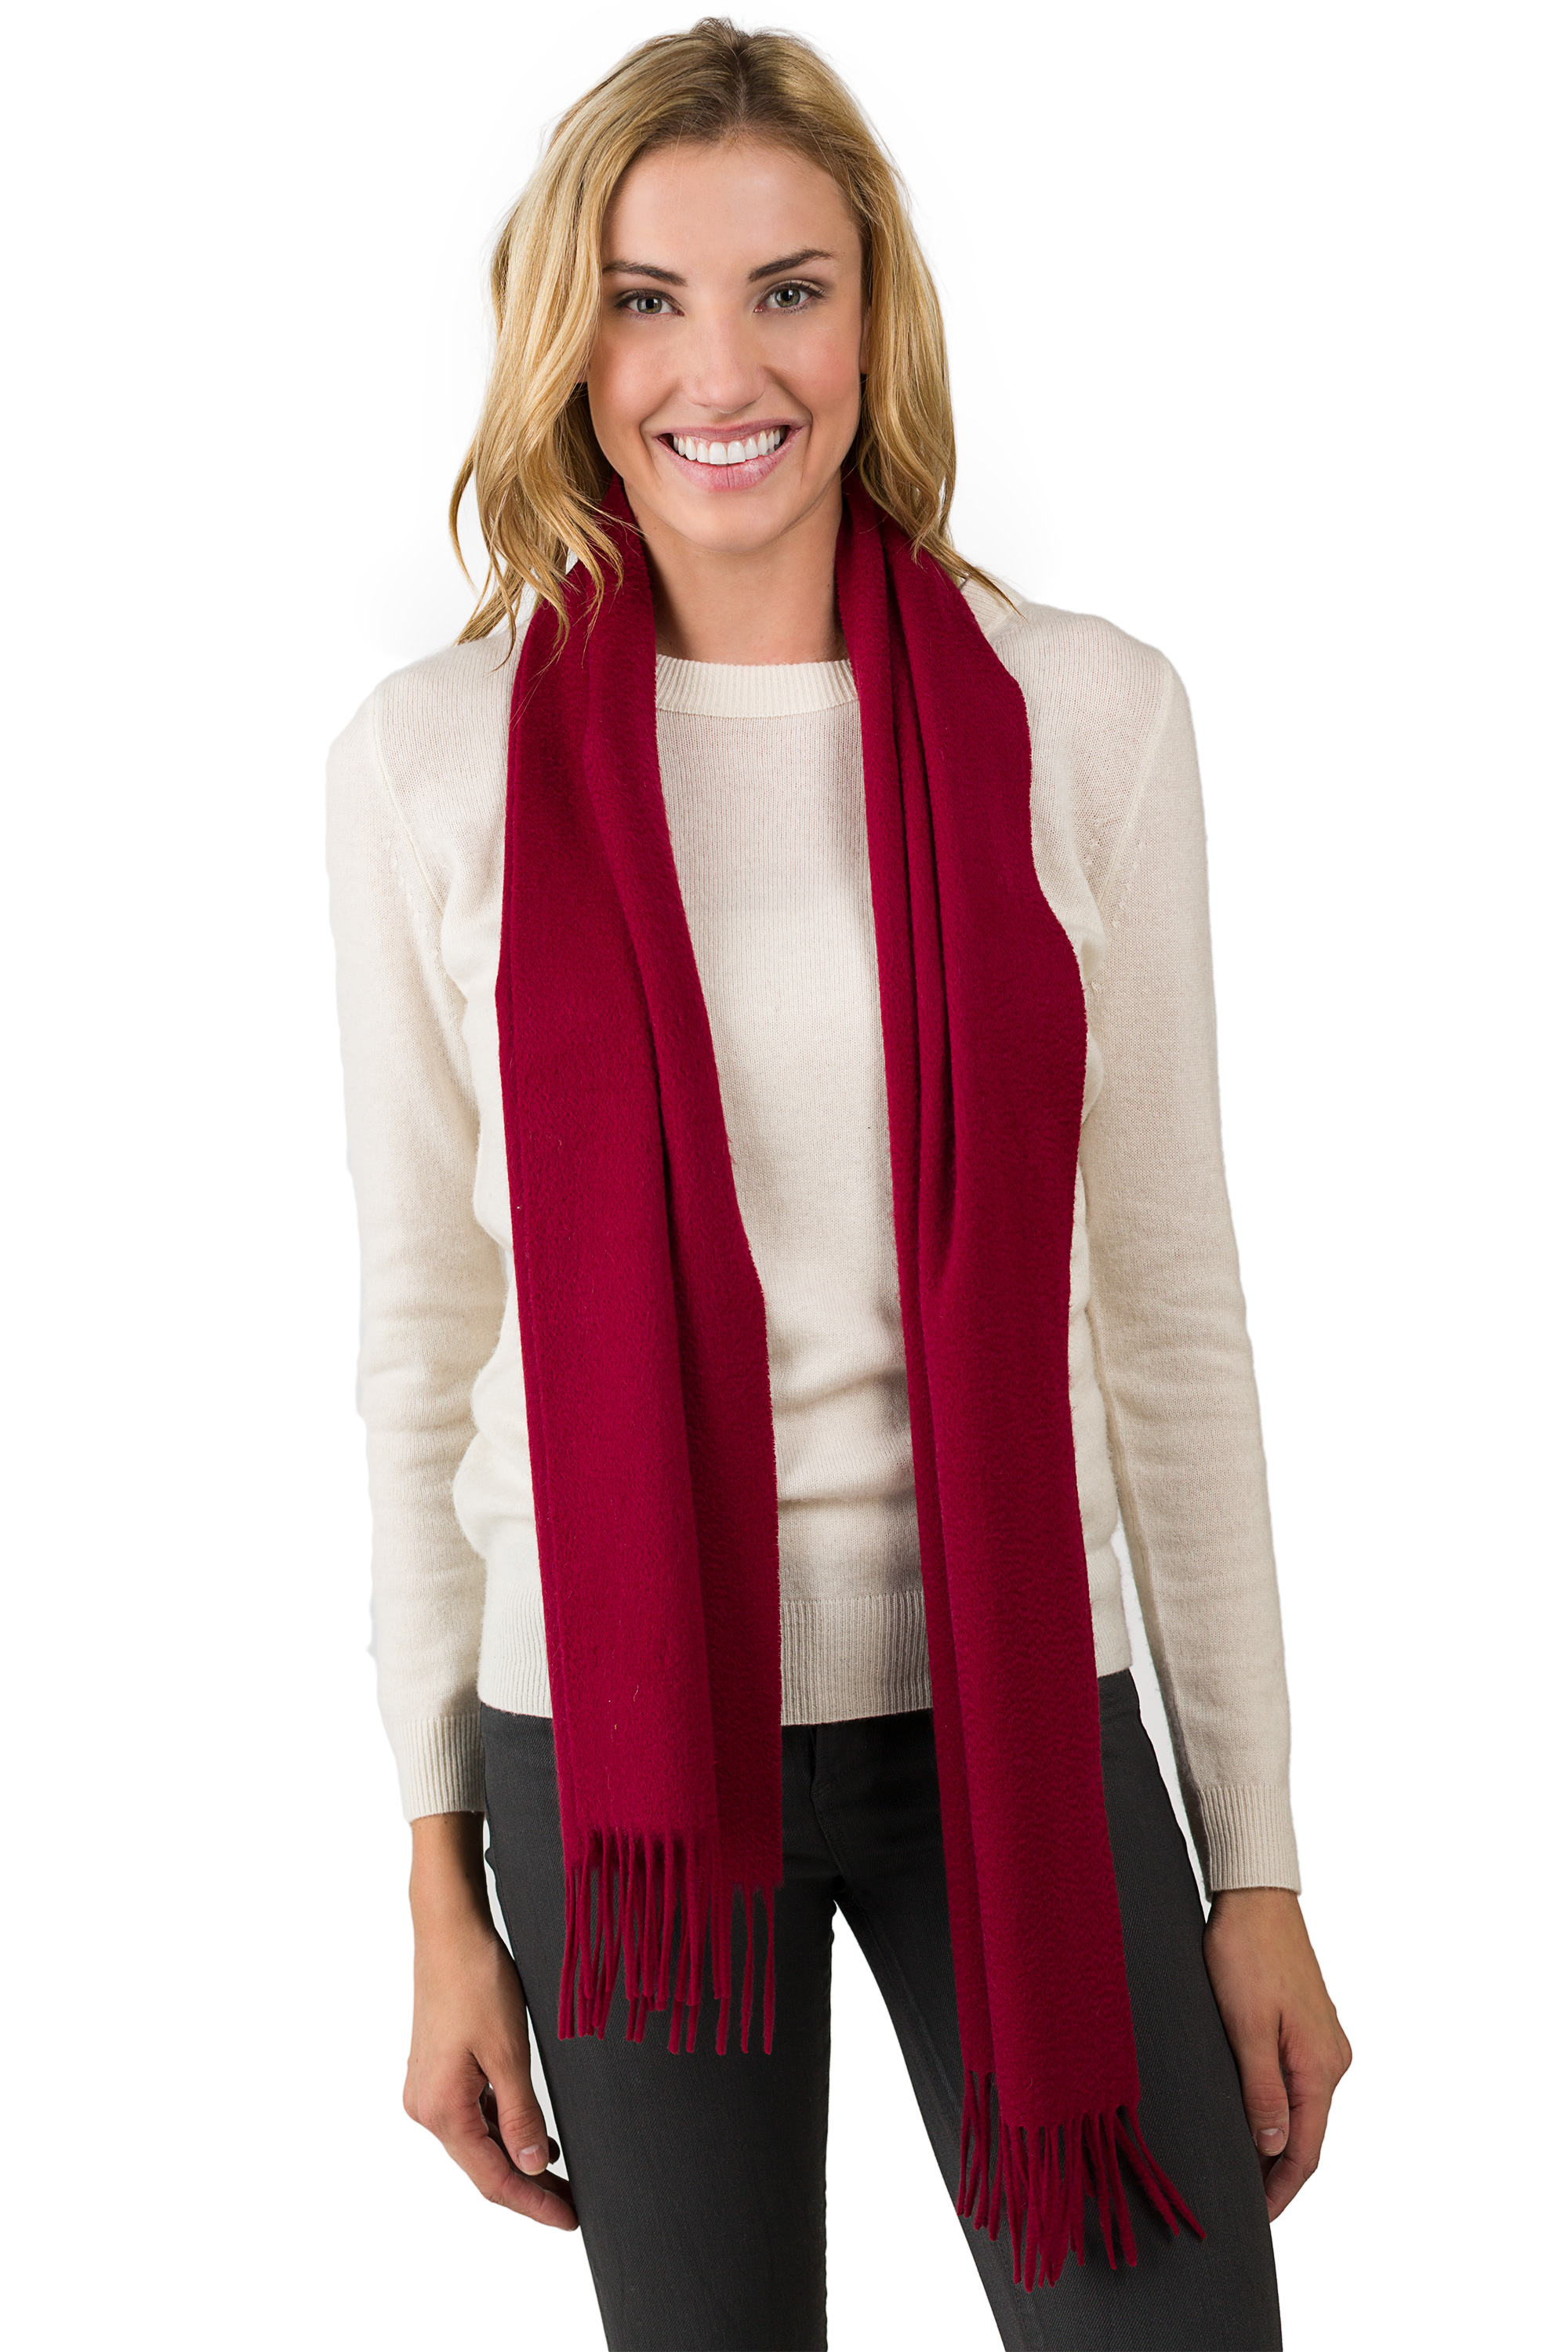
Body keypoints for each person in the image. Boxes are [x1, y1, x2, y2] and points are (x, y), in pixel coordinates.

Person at [325, 20, 1350, 2350]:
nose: (724, 371)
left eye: (788, 290)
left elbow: (1171, 1319)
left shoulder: (1084, 718)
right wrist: (438, 1887)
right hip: (612, 1761)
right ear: (569, 342)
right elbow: (421, 1339)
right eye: (648, 299)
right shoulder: (434, 766)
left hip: (1020, 1715)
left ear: (875, 317)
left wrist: (1259, 1863)